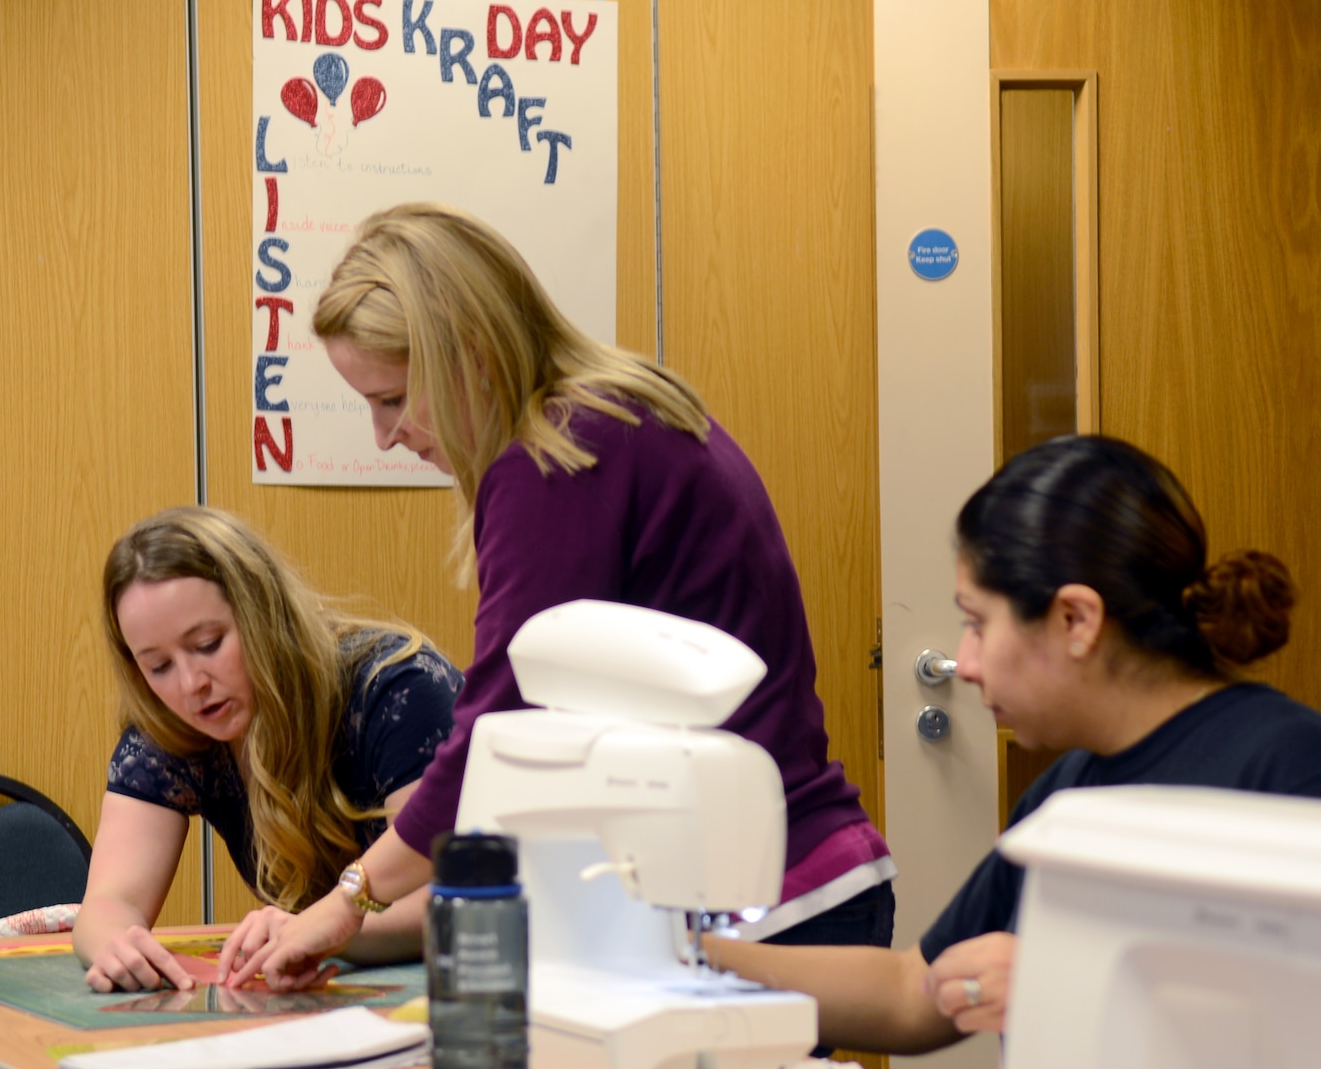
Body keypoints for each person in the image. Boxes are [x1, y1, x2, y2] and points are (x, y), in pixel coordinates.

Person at [234, 201, 894, 992]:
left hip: (767, 899)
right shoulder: (612, 414)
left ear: (467, 354)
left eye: (392, 399)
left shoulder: (553, 456)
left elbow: (500, 725)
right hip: (778, 872)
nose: (385, 435)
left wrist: (351, 897)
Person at [706, 435, 1321, 1055]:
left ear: (1076, 619)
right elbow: (911, 994)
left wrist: (1076, 989)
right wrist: (693, 961)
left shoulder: (1293, 774)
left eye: (979, 623)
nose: (968, 661)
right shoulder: (1069, 792)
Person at [74, 507, 461, 993]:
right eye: (158, 666)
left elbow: (455, 895)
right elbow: (108, 901)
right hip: (331, 996)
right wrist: (115, 943)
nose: (192, 685)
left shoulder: (397, 687)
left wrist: (326, 925)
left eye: (209, 644)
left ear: (263, 611)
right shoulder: (171, 727)